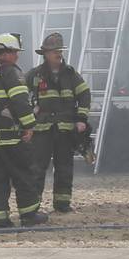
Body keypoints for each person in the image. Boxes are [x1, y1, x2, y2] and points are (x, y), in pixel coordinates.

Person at [0, 33, 48, 228]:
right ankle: (29, 215)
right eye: (15, 52)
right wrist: (29, 126)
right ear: (7, 53)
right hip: (9, 135)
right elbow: (20, 101)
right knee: (24, 174)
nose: (17, 56)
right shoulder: (11, 72)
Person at [26, 32, 91, 213]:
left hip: (65, 129)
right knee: (37, 168)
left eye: (60, 50)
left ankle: (62, 204)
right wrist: (30, 112)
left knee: (64, 167)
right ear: (45, 54)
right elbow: (20, 95)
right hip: (42, 129)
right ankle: (33, 205)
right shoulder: (34, 75)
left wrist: (81, 119)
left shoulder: (71, 74)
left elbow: (85, 95)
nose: (58, 54)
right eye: (54, 51)